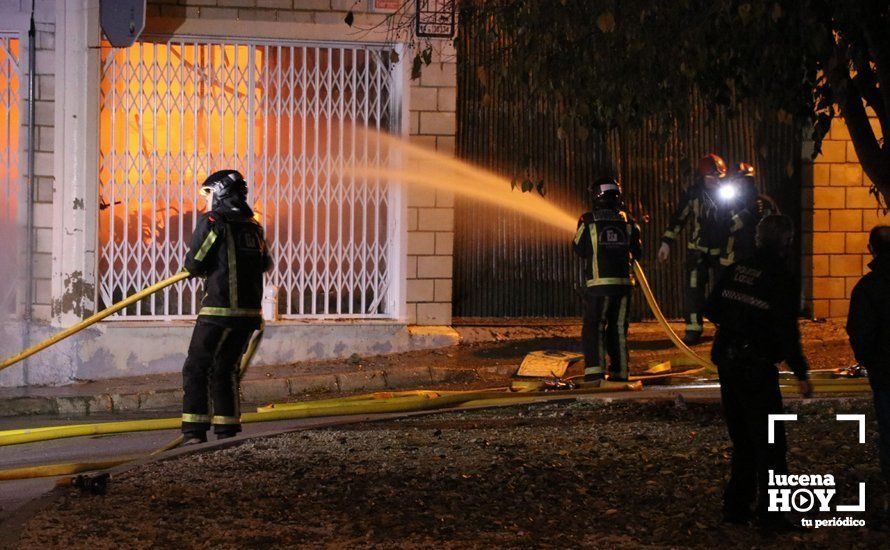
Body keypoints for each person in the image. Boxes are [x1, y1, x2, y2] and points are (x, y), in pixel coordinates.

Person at [703, 214, 812, 531]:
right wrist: (801, 373)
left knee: (743, 441)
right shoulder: (781, 278)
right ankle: (772, 516)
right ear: (786, 242)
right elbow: (787, 332)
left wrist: (736, 324)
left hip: (728, 363)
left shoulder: (737, 269)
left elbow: (711, 308)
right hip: (756, 367)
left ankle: (736, 507)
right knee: (771, 444)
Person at [180, 170, 272, 445]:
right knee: (225, 368)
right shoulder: (253, 226)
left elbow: (195, 262)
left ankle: (194, 433)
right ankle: (227, 432)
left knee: (197, 367)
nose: (207, 200)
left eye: (208, 194)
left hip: (218, 312)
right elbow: (265, 263)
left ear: (219, 192)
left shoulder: (214, 221)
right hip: (249, 315)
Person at [658, 153, 734, 345]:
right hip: (698, 250)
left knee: (724, 290)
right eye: (712, 178)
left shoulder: (730, 194)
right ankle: (693, 329)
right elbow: (679, 219)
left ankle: (724, 328)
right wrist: (667, 242)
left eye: (719, 178)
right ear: (702, 177)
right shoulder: (693, 194)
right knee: (693, 289)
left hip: (722, 251)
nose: (716, 182)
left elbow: (738, 219)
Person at [572, 176, 642, 384]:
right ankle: (620, 373)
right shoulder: (629, 221)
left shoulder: (588, 220)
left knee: (594, 326)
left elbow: (578, 248)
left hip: (599, 285)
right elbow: (637, 252)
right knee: (618, 328)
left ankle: (595, 372)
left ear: (597, 197)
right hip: (623, 286)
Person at [846, 225, 890, 529]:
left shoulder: (867, 288)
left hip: (886, 374)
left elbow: (860, 334)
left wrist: (869, 362)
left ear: (871, 249)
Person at [720, 163, 778, 267]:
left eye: (746, 180)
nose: (742, 184)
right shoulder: (726, 203)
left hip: (756, 258)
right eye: (738, 180)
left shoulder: (765, 202)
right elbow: (725, 228)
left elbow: (776, 231)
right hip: (732, 260)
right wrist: (747, 213)